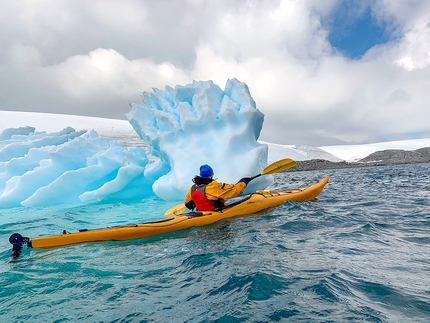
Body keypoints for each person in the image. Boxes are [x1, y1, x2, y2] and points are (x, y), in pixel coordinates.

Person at [184, 164, 251, 211]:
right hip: (216, 211)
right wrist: (243, 182)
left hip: (201, 212)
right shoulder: (213, 186)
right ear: (211, 175)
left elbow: (188, 203)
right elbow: (233, 191)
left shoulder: (193, 188)